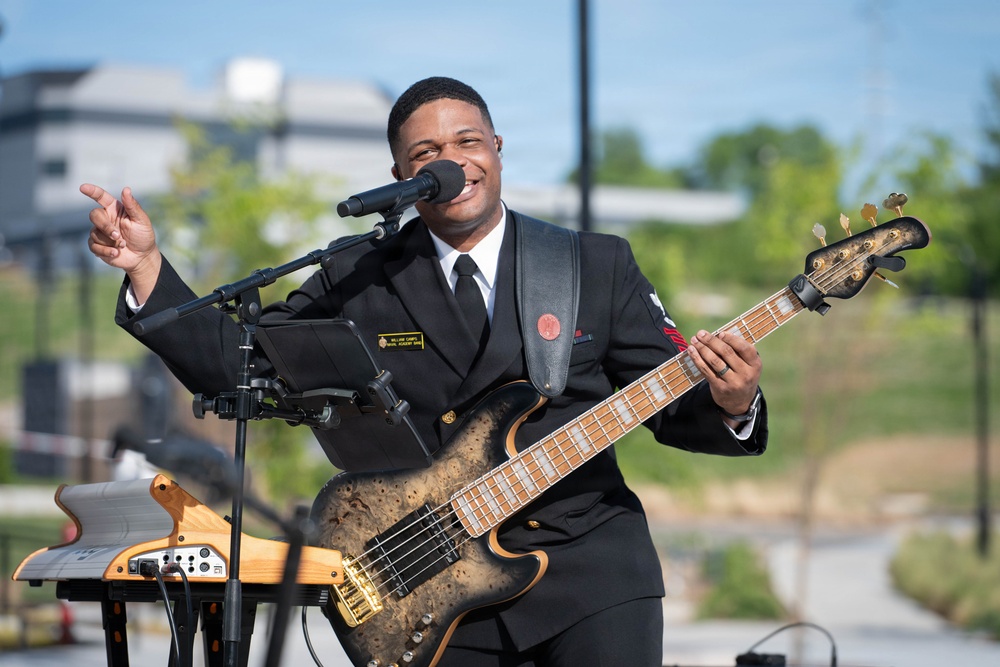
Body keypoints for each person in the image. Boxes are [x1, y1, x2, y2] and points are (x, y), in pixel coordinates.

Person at [83, 76, 766, 667]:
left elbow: (673, 401)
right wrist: (148, 267)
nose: (452, 161)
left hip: (590, 574)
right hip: (427, 587)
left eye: (468, 141)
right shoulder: (360, 274)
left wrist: (733, 402)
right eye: (425, 154)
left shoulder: (594, 263)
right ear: (402, 174)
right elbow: (244, 365)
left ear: (497, 150)